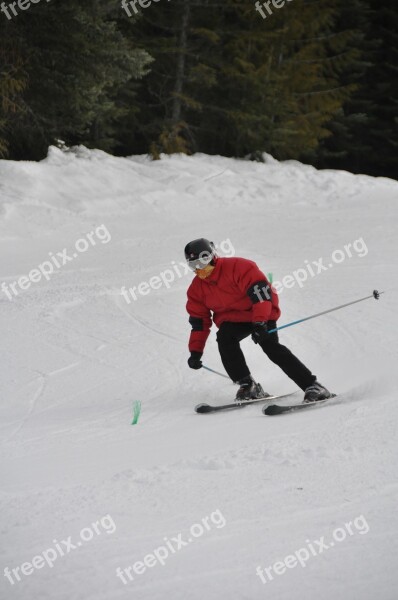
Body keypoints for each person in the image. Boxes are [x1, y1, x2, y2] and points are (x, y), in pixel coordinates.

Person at [185, 238, 332, 403]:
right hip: (234, 319)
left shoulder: (238, 267)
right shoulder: (196, 289)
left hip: (262, 311)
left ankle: (313, 386)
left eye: (203, 261)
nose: (200, 268)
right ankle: (247, 385)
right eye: (194, 265)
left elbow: (262, 296)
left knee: (270, 346)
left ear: (213, 256)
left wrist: (260, 322)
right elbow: (199, 324)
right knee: (225, 338)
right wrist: (195, 352)